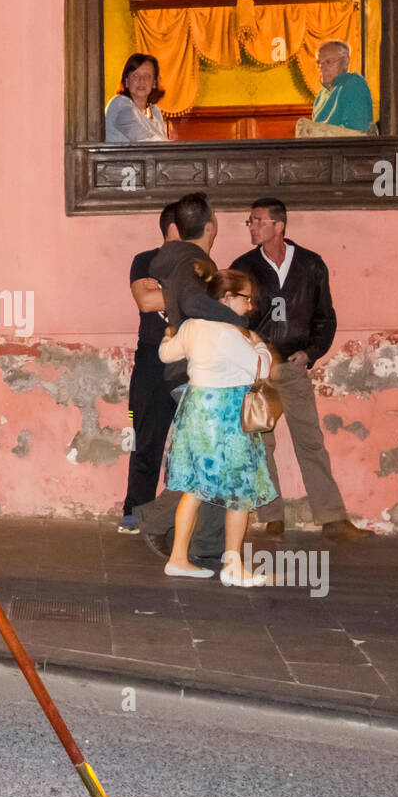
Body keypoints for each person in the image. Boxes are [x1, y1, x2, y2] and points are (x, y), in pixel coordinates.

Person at [231, 198, 373, 542]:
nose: (251, 226)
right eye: (250, 221)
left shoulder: (310, 265)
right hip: (258, 370)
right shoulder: (244, 266)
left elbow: (325, 316)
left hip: (293, 368)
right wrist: (248, 353)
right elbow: (233, 317)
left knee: (310, 441)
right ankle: (272, 516)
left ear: (278, 226)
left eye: (257, 221)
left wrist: (311, 352)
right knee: (260, 443)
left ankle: (332, 518)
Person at [131, 192, 246, 569]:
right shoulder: (194, 262)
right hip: (199, 375)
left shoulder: (170, 260)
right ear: (210, 225)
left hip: (186, 368)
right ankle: (163, 521)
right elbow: (195, 306)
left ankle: (204, 543)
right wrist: (238, 322)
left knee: (212, 461)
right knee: (214, 462)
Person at [158, 269, 277, 586]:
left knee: (195, 489)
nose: (249, 307)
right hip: (226, 415)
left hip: (196, 411)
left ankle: (178, 559)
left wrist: (169, 334)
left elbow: (166, 353)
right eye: (245, 299)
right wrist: (259, 344)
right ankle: (233, 567)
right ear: (226, 298)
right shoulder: (227, 331)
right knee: (239, 491)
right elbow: (261, 369)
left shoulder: (193, 326)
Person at [119, 200, 180, 533]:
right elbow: (146, 300)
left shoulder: (202, 265)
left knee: (193, 443)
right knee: (145, 440)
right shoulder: (145, 260)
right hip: (151, 362)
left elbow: (210, 301)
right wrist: (186, 293)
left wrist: (165, 291)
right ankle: (135, 512)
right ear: (174, 229)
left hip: (192, 360)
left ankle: (183, 518)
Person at [294, 41, 374, 138]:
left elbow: (357, 133)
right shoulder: (321, 95)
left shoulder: (353, 83)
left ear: (345, 62)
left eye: (328, 62)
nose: (322, 68)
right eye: (319, 63)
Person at [105, 52, 170, 142]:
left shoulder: (155, 111)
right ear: (126, 82)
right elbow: (146, 141)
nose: (141, 80)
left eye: (147, 76)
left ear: (154, 83)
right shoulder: (119, 104)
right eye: (135, 76)